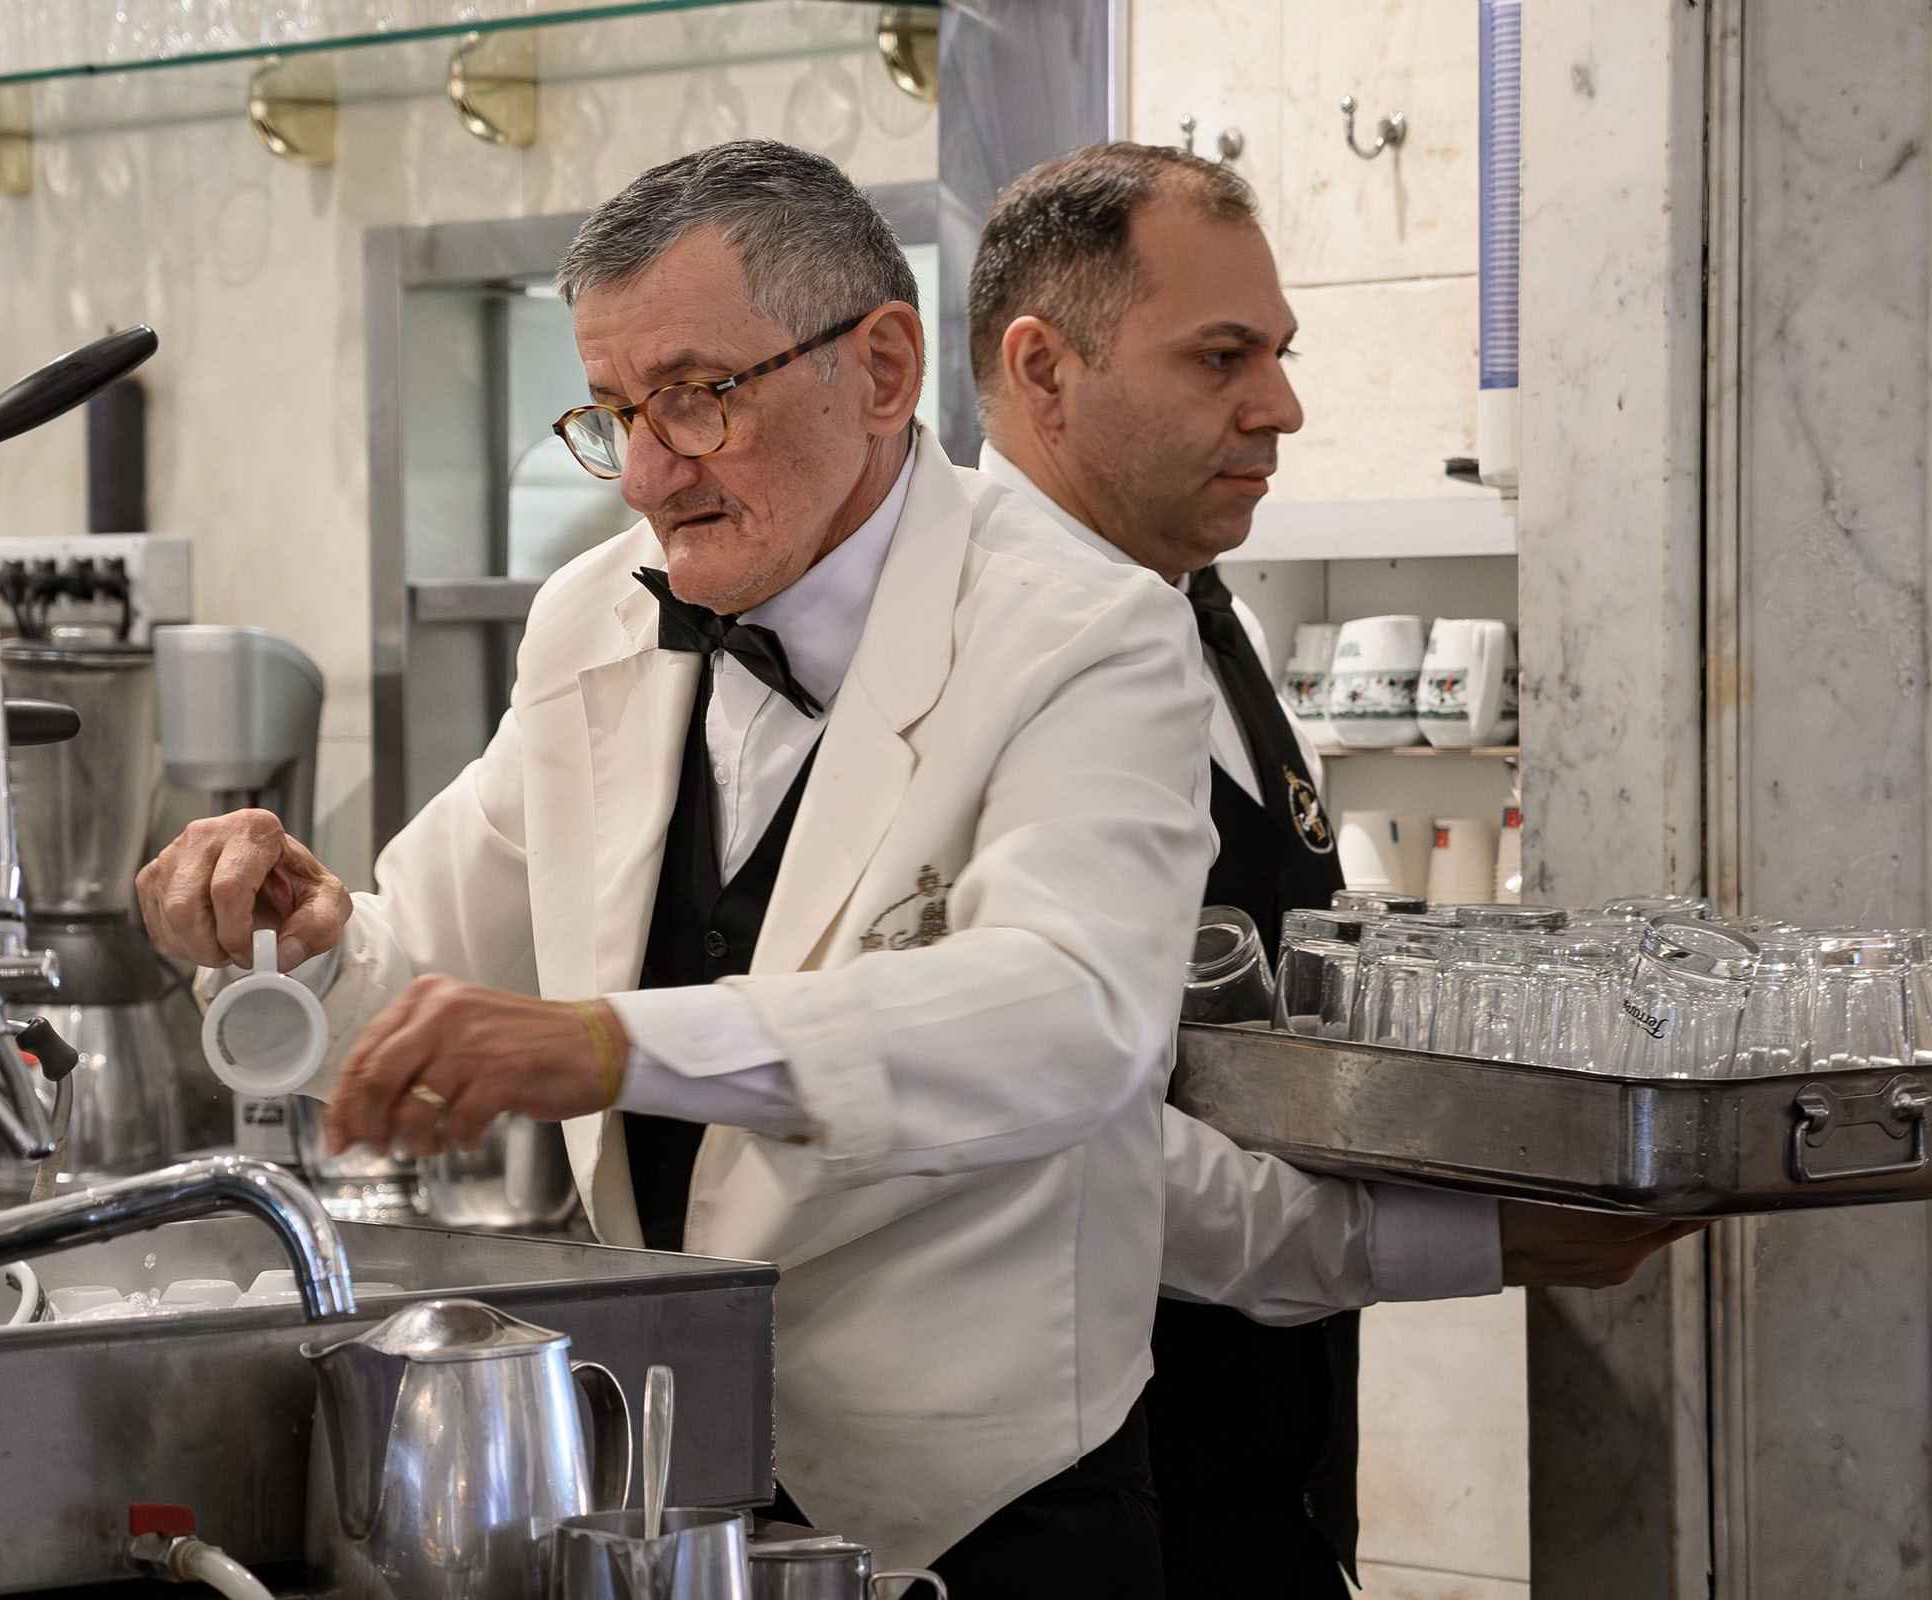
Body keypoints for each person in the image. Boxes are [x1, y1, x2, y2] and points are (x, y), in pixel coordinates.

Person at [140, 139, 1213, 1596]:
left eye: (700, 396)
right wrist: (304, 940)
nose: (646, 474)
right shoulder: (592, 616)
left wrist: (612, 1044)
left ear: (883, 368)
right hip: (661, 1474)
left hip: (987, 1515)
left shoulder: (1087, 631)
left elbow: (1069, 1015)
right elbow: (428, 969)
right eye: (614, 415)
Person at [966, 142, 1699, 1597]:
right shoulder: (964, 662)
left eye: (1279, 354)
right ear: (1043, 370)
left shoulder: (1199, 606)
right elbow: (1063, 1149)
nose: (1281, 408)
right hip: (1084, 1521)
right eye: (1220, 357)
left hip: (1268, 1493)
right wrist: (1460, 1237)